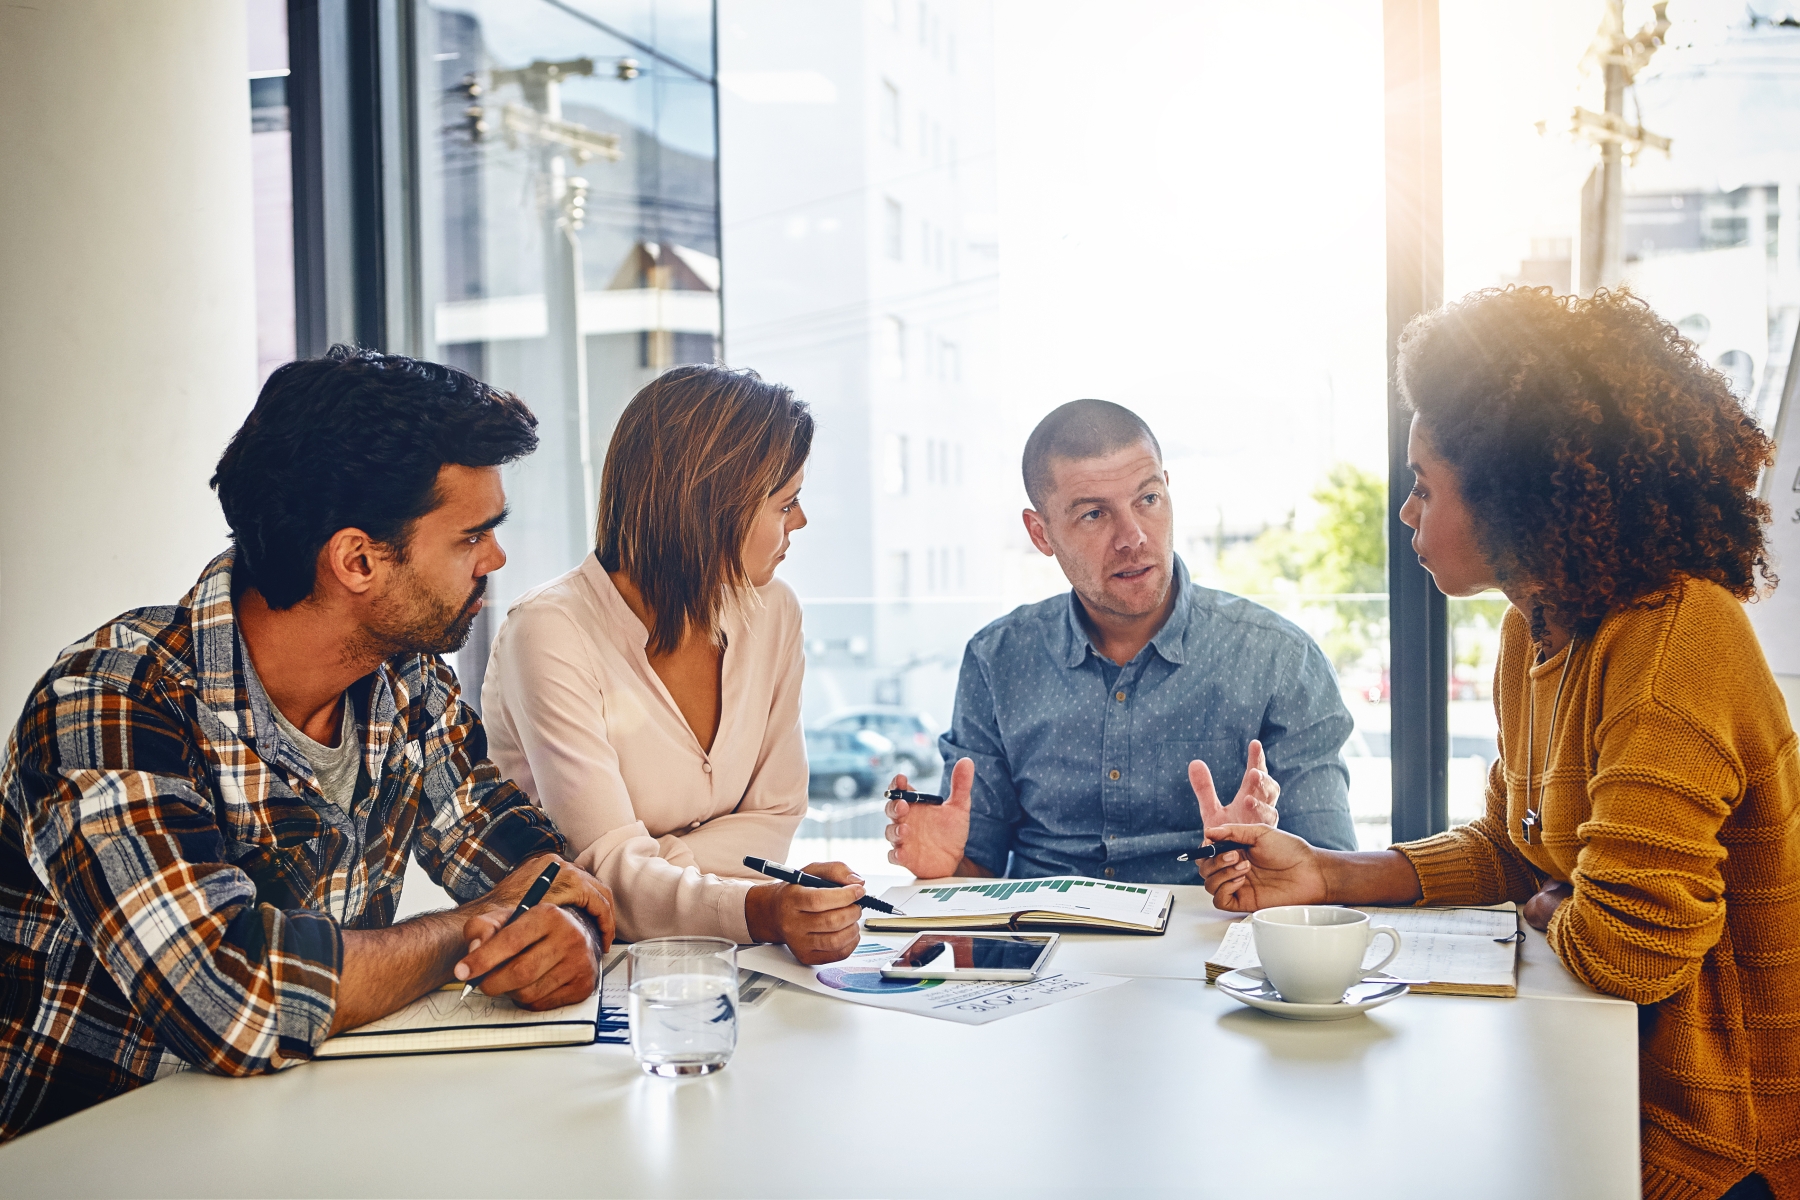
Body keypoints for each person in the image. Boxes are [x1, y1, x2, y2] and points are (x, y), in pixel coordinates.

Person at [1196, 287, 1799, 1200]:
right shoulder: (1538, 630)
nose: (1406, 515)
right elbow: (1516, 850)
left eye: (1425, 488)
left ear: (1515, 499)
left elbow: (1633, 951)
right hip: (1602, 1083)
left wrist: (1558, 907)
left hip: (1717, 1136)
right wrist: (1328, 872)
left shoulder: (1675, 642)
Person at [0, 347, 616, 1143]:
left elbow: (539, 871)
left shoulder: (408, 682)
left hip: (296, 1135)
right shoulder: (109, 701)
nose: (495, 559)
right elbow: (229, 995)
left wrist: (568, 935)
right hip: (83, 1155)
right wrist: (471, 927)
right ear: (357, 559)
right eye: (472, 537)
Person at [481, 365, 865, 964]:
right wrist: (755, 904)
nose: (801, 522)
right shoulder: (550, 631)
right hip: (573, 969)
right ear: (714, 507)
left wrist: (658, 868)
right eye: (785, 504)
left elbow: (777, 814)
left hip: (719, 958)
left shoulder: (773, 611)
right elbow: (602, 874)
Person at [884, 399, 1358, 885]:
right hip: (1044, 943)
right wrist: (944, 869)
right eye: (1093, 514)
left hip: (1214, 945)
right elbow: (975, 868)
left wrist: (1263, 860)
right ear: (1040, 533)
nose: (1132, 537)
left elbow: (1330, 872)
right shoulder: (997, 660)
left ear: (1168, 491)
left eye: (1148, 499)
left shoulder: (1279, 659)